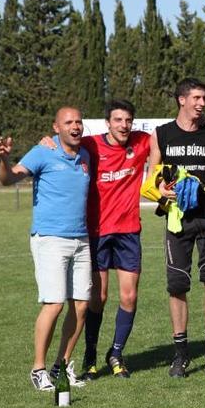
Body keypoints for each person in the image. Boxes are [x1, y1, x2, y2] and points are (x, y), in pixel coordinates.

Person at [0, 106, 91, 391]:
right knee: (54, 304)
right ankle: (38, 369)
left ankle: (61, 367)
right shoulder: (42, 152)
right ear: (56, 127)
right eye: (68, 122)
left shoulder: (85, 154)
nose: (75, 126)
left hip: (82, 239)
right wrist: (3, 159)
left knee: (82, 306)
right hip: (50, 238)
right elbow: (8, 178)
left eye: (78, 121)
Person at [148, 77, 205, 378]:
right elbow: (154, 174)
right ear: (182, 99)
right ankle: (180, 354)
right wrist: (161, 190)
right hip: (177, 219)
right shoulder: (162, 134)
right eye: (196, 98)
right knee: (178, 286)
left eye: (204, 98)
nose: (202, 103)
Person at [79, 100, 151, 379]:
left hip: (129, 231)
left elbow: (164, 141)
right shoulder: (91, 145)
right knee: (99, 297)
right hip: (98, 232)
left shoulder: (142, 141)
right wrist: (48, 141)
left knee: (130, 296)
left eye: (128, 120)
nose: (123, 125)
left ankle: (116, 353)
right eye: (118, 120)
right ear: (107, 123)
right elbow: (63, 143)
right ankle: (90, 355)